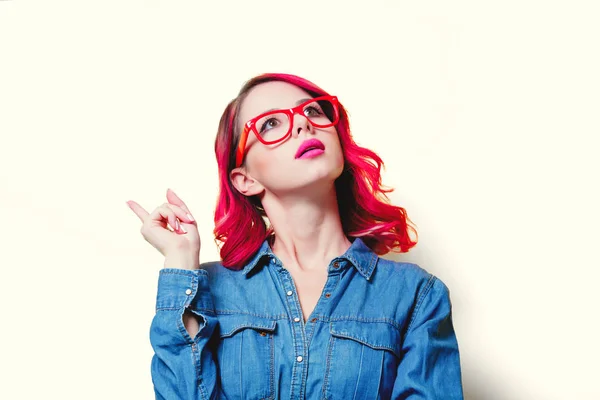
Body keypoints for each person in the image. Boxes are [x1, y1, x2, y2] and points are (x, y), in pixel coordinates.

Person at [127, 73, 464, 399]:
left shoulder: (417, 295)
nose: (303, 124)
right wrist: (181, 264)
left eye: (313, 110)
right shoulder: (207, 289)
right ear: (245, 179)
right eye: (270, 124)